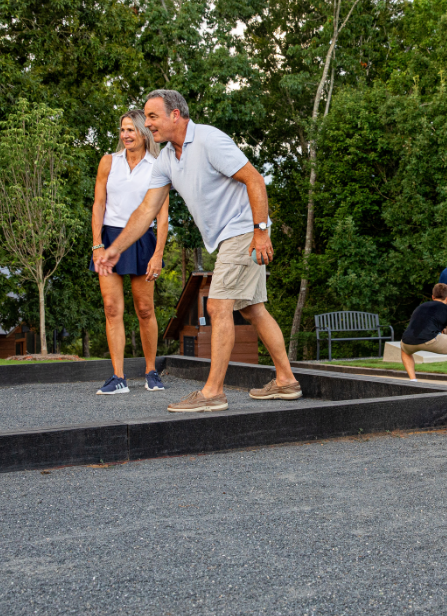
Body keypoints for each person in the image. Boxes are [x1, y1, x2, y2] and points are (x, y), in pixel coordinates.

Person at [93, 89, 302, 412]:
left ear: (175, 115)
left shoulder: (208, 140)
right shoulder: (165, 159)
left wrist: (261, 232)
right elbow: (146, 211)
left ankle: (212, 393)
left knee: (218, 306)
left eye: (152, 117)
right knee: (252, 308)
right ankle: (286, 380)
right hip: (231, 235)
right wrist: (114, 248)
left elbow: (255, 180)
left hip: (244, 229)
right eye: (145, 119)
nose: (147, 125)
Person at [89, 111, 170, 395]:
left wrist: (158, 253)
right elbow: (98, 204)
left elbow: (162, 215)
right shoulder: (108, 162)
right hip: (109, 238)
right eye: (122, 130)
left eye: (131, 130)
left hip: (142, 240)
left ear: (143, 133)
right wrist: (97, 243)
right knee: (112, 309)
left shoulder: (158, 166)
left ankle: (151, 372)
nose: (125, 135)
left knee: (145, 309)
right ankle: (118, 377)